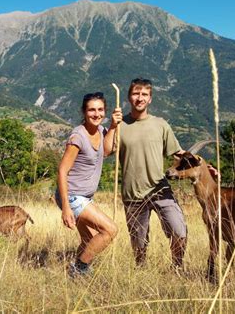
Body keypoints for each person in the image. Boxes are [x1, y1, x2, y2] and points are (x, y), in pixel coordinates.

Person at [110, 78, 187, 269]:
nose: (140, 98)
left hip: (160, 189)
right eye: (136, 93)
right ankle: (141, 270)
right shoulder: (120, 125)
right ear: (129, 97)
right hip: (133, 193)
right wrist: (112, 126)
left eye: (144, 94)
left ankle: (177, 267)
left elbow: (179, 154)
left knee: (179, 230)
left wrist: (203, 165)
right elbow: (105, 150)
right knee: (138, 243)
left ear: (150, 99)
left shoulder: (161, 125)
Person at [55, 92, 121, 277]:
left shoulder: (101, 131)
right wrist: (66, 208)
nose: (96, 114)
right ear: (84, 112)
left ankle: (75, 274)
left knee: (89, 239)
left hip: (84, 197)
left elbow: (107, 151)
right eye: (91, 110)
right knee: (110, 230)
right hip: (72, 196)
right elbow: (62, 171)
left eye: (100, 110)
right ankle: (79, 269)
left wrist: (114, 126)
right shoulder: (78, 137)